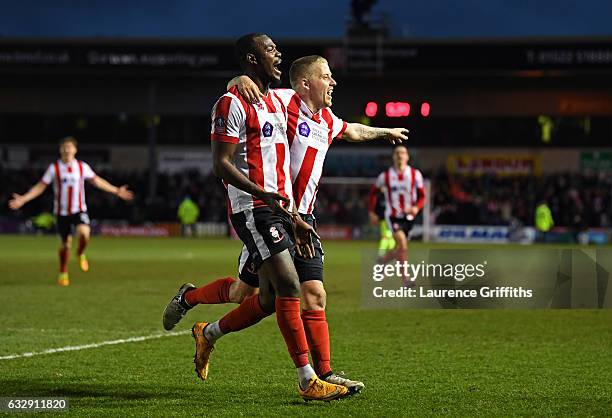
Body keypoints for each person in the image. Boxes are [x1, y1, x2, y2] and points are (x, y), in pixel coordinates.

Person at [163, 54, 408, 394]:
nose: (333, 82)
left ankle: (325, 374)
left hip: (303, 219)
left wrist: (385, 131)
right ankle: (192, 303)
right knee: (245, 293)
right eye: (326, 76)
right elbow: (242, 94)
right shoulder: (281, 101)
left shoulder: (326, 119)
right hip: (274, 214)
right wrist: (237, 79)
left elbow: (351, 129)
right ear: (306, 83)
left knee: (312, 294)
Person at [8, 136, 134, 286]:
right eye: (64, 147)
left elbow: (97, 181)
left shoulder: (81, 167)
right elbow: (40, 186)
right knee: (65, 245)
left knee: (84, 234)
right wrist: (23, 199)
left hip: (78, 210)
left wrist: (116, 190)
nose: (67, 150)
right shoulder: (54, 168)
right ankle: (63, 272)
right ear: (60, 150)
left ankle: (80, 253)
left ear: (75, 150)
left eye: (70, 147)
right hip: (61, 213)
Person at [369, 145, 425, 286]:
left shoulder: (415, 174)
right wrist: (372, 212)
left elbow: (423, 196)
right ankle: (406, 279)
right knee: (402, 242)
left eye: (403, 153)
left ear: (407, 157)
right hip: (392, 216)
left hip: (409, 217)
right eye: (397, 153)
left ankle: (382, 262)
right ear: (393, 157)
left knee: (401, 248)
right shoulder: (385, 176)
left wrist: (416, 208)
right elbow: (373, 194)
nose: (400, 155)